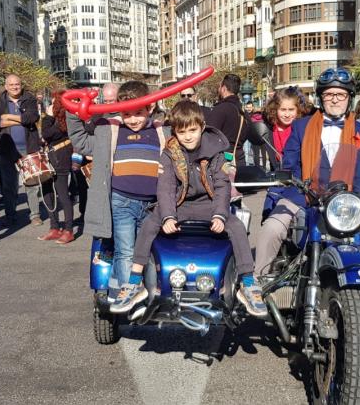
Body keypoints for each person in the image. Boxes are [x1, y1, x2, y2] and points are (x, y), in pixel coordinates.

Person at [110, 101, 267, 317]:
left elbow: (222, 186)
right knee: (149, 224)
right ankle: (134, 281)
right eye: (182, 132)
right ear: (175, 132)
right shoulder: (170, 153)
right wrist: (168, 216)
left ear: (201, 127)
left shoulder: (217, 151)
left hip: (208, 204)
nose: (188, 136)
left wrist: (220, 215)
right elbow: (166, 187)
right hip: (180, 204)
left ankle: (248, 283)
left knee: (237, 226)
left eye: (192, 130)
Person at [254, 68, 360, 281]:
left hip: (343, 201)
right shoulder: (301, 126)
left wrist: (358, 198)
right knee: (272, 228)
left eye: (341, 94)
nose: (335, 99)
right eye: (329, 94)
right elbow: (290, 164)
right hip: (304, 195)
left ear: (349, 97)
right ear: (321, 97)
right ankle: (257, 281)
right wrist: (296, 184)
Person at [68, 81, 167, 295]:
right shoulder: (110, 129)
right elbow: (81, 141)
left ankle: (149, 295)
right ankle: (128, 294)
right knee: (126, 251)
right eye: (127, 114)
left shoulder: (161, 131)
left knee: (148, 251)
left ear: (150, 108)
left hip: (152, 205)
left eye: (138, 113)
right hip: (121, 201)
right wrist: (74, 111)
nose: (133, 119)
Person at [0, 74, 42, 227]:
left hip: (28, 147)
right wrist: (19, 120)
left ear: (21, 85)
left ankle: (35, 215)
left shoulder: (29, 98)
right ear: (6, 86)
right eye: (11, 85)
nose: (15, 87)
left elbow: (32, 118)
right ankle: (10, 216)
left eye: (17, 84)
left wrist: (8, 117)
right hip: (7, 148)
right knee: (9, 185)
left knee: (31, 183)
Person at [36, 92, 75, 244]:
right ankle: (54, 227)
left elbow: (46, 133)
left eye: (53, 103)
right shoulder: (56, 119)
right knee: (47, 192)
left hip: (61, 157)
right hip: (51, 156)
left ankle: (69, 230)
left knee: (62, 193)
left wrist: (48, 116)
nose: (51, 105)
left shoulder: (64, 120)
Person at [206, 74, 248, 165]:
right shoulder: (243, 110)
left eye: (219, 87)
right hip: (239, 159)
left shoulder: (220, 109)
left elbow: (209, 136)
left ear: (223, 88)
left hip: (221, 161)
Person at [265, 87, 306, 161]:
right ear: (275, 110)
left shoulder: (303, 129)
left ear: (298, 110)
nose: (287, 115)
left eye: (291, 110)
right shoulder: (269, 129)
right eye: (283, 110)